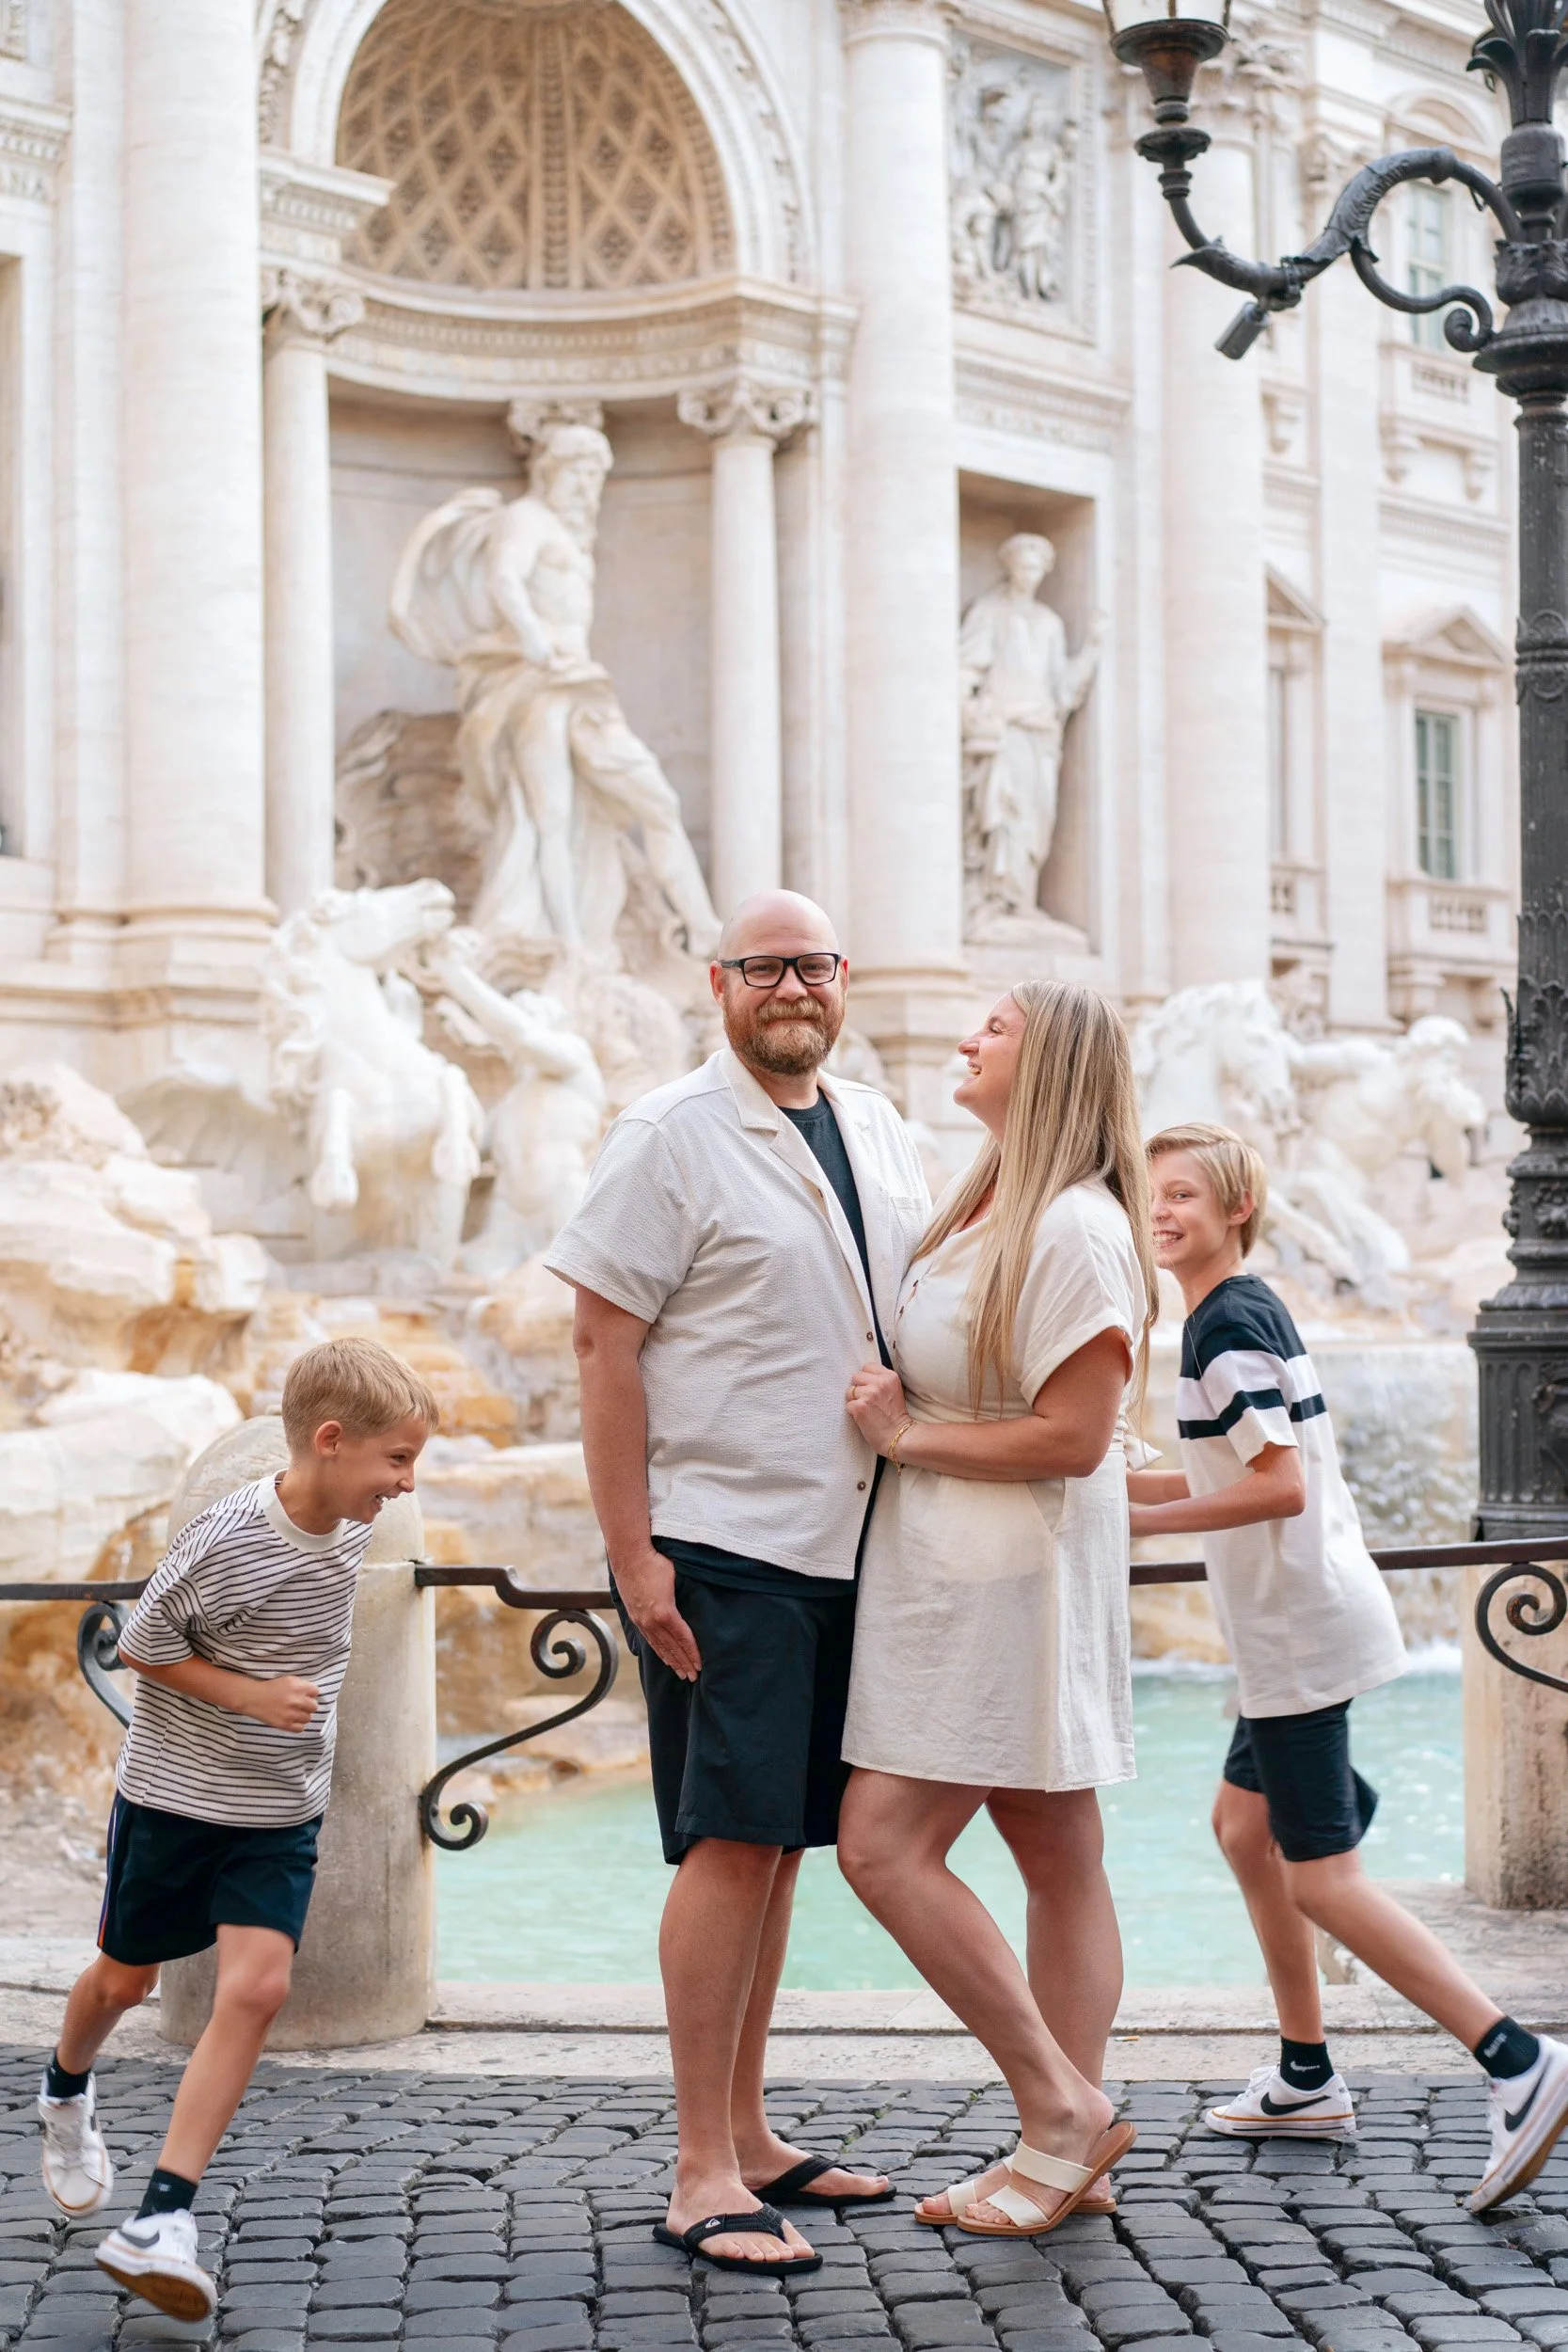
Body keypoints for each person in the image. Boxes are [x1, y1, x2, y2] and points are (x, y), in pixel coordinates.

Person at [544, 890, 931, 2277]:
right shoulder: (663, 1135)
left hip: (851, 1542)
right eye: (763, 966)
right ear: (717, 985)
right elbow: (601, 1346)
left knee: (775, 1847)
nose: (790, 987)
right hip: (723, 1544)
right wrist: (632, 1552)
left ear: (842, 979)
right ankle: (697, 2167)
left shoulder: (883, 1127)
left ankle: (753, 2133)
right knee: (727, 1843)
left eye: (812, 964)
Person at [1131, 1121, 1568, 2213]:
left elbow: (1276, 1486)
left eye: (1185, 1194)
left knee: (1322, 1878)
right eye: (1154, 1195)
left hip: (1295, 1633)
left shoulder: (1218, 1324)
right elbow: (1262, 1465)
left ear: (1236, 1207)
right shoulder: (1245, 1304)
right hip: (1296, 1621)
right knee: (1242, 1828)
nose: (1162, 1211)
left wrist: (1141, 1524)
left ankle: (1516, 2058)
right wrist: (1119, 1490)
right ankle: (1304, 2073)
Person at [836, 980, 1155, 2237]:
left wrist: (903, 1431)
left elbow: (1076, 1436)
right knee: (1054, 1853)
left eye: (994, 1028)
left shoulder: (1071, 1228)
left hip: (1001, 1580)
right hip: (976, 1568)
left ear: (1049, 1066)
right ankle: (1066, 2143)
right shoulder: (982, 1204)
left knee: (881, 1846)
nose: (965, 1038)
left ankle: (1059, 2112)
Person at [38, 1339, 437, 2317]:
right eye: (395, 1460)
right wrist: (252, 1697)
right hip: (176, 1803)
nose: (406, 1481)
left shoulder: (348, 1525)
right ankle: (63, 2089)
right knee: (123, 1980)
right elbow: (140, 1645)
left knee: (256, 1990)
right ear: (330, 1441)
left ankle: (164, 2213)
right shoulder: (226, 1538)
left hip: (279, 1813)